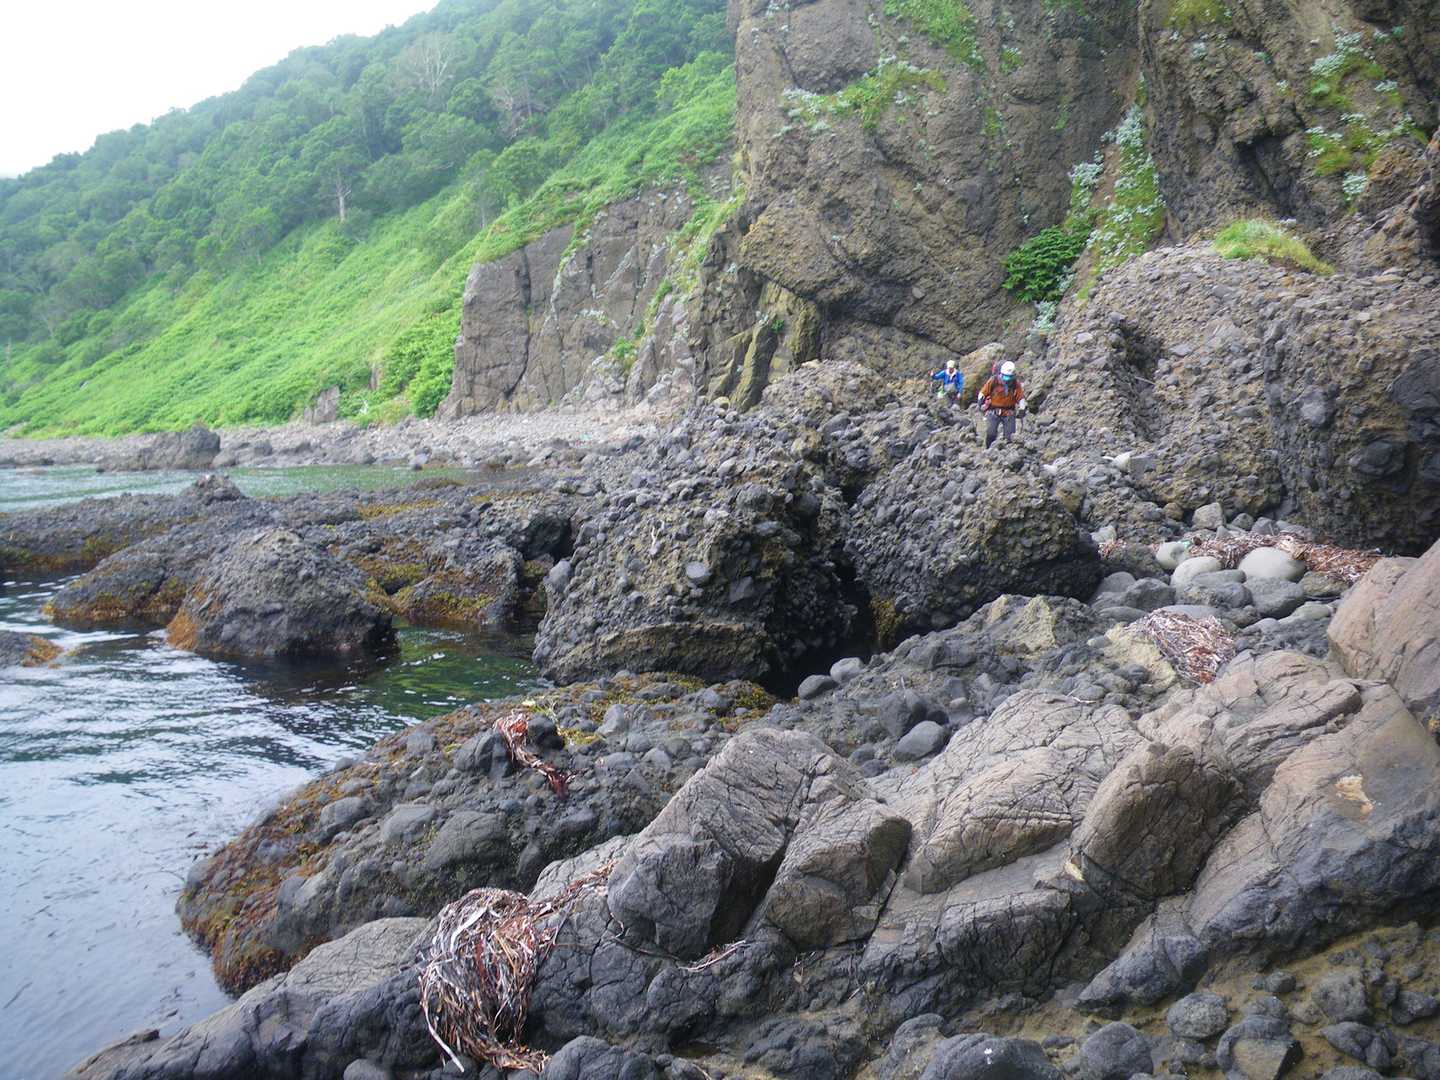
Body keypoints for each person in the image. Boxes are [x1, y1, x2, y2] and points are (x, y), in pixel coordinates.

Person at [977, 360, 1026, 447]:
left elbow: (1020, 397)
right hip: (993, 412)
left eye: (1010, 378)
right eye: (1005, 377)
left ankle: (1008, 451)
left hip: (1009, 413)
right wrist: (980, 401)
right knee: (991, 433)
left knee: (1010, 437)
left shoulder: (1015, 384)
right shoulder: (994, 381)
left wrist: (1022, 408)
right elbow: (983, 392)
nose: (1007, 380)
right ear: (1001, 374)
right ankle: (989, 449)